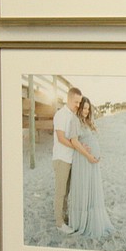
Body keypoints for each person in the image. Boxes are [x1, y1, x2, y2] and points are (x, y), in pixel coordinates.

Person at [66, 96, 115, 239]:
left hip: (91, 161)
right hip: (83, 160)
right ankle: (82, 221)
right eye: (84, 108)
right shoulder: (74, 120)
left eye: (88, 108)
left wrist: (95, 154)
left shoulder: (86, 121)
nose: (86, 111)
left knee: (92, 188)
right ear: (79, 107)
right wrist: (88, 155)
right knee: (84, 187)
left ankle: (92, 218)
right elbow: (74, 141)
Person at [51, 86, 81, 233]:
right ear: (69, 99)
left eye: (79, 102)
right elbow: (61, 138)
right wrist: (77, 148)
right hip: (61, 158)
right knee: (60, 191)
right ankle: (59, 223)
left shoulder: (72, 116)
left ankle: (63, 217)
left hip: (69, 159)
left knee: (66, 191)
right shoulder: (61, 115)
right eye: (76, 102)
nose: (78, 105)